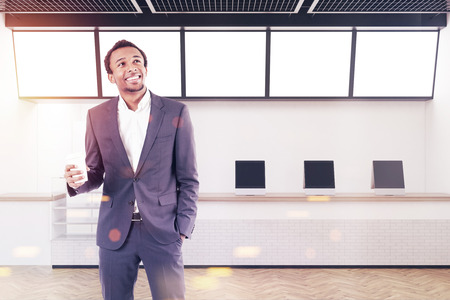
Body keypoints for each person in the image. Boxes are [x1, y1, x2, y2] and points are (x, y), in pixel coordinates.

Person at [64, 39, 199, 300]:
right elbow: (95, 171)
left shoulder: (176, 111)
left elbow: (189, 178)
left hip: (163, 232)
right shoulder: (96, 115)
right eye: (121, 63)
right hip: (114, 232)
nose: (131, 66)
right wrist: (77, 180)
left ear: (146, 69)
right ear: (111, 76)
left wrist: (182, 228)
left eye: (137, 60)